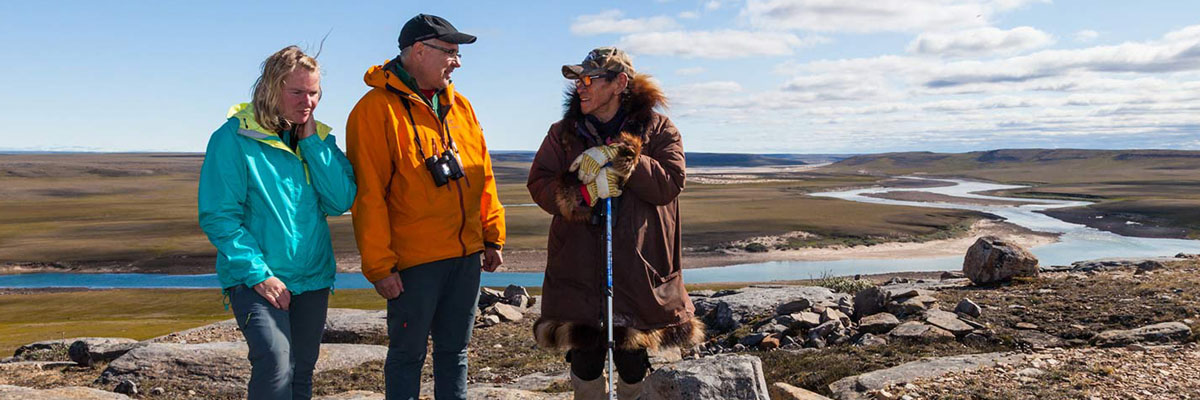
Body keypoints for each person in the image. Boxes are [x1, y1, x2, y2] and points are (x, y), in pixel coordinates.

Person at [527, 47, 705, 399]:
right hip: (577, 264)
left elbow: (669, 183)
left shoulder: (658, 129)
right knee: (585, 356)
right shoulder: (563, 133)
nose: (581, 86)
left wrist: (625, 157)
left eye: (590, 79)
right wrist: (582, 192)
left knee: (633, 357)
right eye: (579, 80)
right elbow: (539, 184)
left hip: (639, 266)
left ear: (620, 83)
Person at [345, 13, 506, 400]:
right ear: (418, 51)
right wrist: (380, 266)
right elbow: (368, 196)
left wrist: (492, 235)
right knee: (407, 355)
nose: (457, 61)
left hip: (466, 257)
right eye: (449, 52)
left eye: (458, 53)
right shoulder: (374, 110)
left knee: (456, 353)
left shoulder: (461, 108)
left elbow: (482, 175)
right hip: (413, 264)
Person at [198, 45, 356, 400]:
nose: (308, 102)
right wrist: (258, 274)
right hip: (256, 278)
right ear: (271, 89)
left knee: (301, 373)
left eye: (314, 92)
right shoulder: (233, 139)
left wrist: (313, 142)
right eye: (297, 92)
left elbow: (340, 200)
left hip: (312, 277)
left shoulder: (317, 141)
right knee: (274, 364)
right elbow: (220, 216)